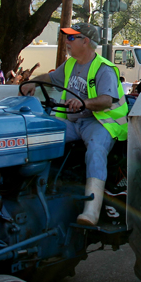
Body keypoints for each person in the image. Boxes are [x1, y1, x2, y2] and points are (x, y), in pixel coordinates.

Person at [21, 23, 127, 225]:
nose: (66, 42)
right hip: (73, 122)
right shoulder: (70, 64)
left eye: (71, 38)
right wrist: (33, 82)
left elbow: (106, 100)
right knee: (43, 135)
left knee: (96, 150)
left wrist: (84, 103)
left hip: (100, 122)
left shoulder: (104, 69)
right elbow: (50, 78)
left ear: (85, 41)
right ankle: (36, 191)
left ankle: (92, 210)